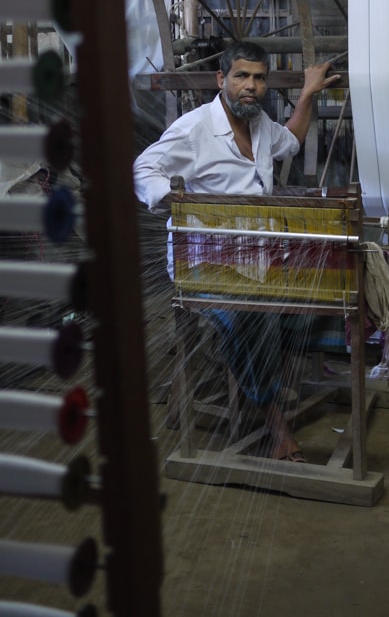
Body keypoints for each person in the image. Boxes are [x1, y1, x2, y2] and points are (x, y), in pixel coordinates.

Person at [133, 40, 341, 462]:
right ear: (221, 79)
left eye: (259, 78)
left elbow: (292, 142)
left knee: (322, 284)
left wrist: (306, 94)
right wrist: (183, 203)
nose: (251, 86)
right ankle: (273, 421)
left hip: (256, 257)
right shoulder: (194, 130)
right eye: (241, 76)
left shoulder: (262, 125)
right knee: (251, 314)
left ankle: (261, 381)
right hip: (204, 261)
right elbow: (143, 169)